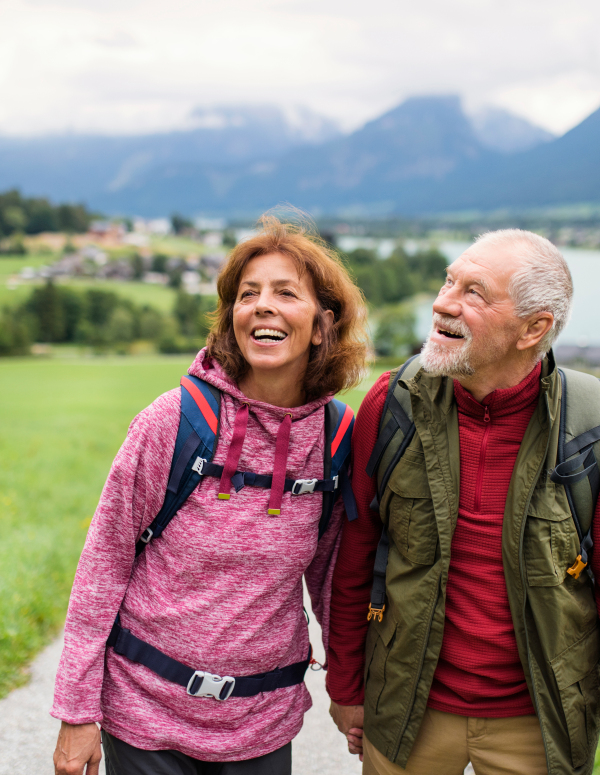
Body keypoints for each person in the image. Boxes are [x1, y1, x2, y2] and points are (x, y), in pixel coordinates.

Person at [51, 215, 368, 775]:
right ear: (232, 319)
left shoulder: (336, 440)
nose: (262, 306)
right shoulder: (172, 421)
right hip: (145, 711)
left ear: (322, 325)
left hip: (262, 721)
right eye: (248, 295)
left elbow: (332, 582)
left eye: (285, 293)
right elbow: (103, 564)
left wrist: (350, 687)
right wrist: (77, 711)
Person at [327, 229, 600, 775]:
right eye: (449, 280)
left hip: (538, 724)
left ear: (534, 328)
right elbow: (354, 556)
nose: (442, 302)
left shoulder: (590, 423)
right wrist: (346, 686)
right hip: (408, 712)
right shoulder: (391, 403)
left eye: (474, 292)